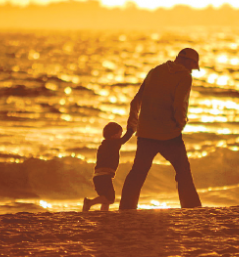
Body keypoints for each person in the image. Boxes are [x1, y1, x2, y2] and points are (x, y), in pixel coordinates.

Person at [119, 48, 202, 210]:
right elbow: (180, 104)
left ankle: (126, 208)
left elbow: (136, 101)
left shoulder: (155, 71)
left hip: (146, 133)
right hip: (169, 135)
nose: (192, 69)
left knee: (137, 173)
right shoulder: (185, 76)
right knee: (183, 173)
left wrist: (132, 126)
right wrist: (180, 124)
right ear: (188, 62)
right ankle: (192, 209)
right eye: (193, 65)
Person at [83, 122, 133, 211]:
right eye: (119, 134)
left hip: (98, 176)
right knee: (110, 198)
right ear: (113, 136)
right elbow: (124, 139)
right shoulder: (113, 143)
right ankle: (89, 203)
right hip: (104, 176)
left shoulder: (103, 145)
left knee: (105, 198)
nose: (120, 136)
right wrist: (131, 130)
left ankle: (104, 213)